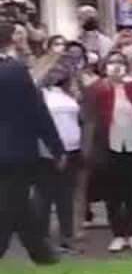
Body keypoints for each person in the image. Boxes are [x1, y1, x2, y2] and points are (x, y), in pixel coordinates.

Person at [0, 21, 65, 265]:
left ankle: (42, 255)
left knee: (18, 204)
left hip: (11, 148)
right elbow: (36, 111)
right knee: (12, 206)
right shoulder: (15, 70)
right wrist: (56, 147)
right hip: (15, 150)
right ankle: (42, 254)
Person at [85, 48, 132, 253]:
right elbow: (91, 104)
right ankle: (117, 233)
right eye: (111, 62)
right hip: (110, 146)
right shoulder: (99, 88)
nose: (116, 66)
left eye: (120, 63)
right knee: (113, 193)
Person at [37, 64, 84, 253]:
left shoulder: (70, 95)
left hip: (72, 150)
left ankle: (66, 237)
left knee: (65, 197)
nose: (58, 74)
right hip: (48, 152)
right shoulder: (40, 94)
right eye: (53, 70)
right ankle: (42, 239)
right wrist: (56, 152)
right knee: (45, 196)